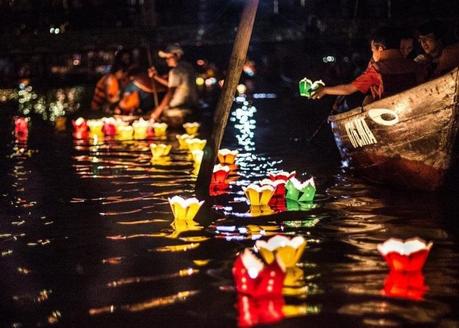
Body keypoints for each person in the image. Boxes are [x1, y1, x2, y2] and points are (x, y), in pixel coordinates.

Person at [312, 27, 425, 104]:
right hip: (413, 105)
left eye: (372, 50)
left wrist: (324, 90)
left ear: (380, 49)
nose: (372, 55)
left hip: (387, 114)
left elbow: (348, 89)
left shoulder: (377, 69)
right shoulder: (415, 65)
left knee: (367, 100)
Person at [148, 43, 198, 123]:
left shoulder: (175, 71)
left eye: (169, 57)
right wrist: (156, 76)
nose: (167, 60)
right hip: (192, 107)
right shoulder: (188, 67)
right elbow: (173, 84)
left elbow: (170, 92)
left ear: (177, 56)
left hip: (179, 110)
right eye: (166, 58)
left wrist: (158, 111)